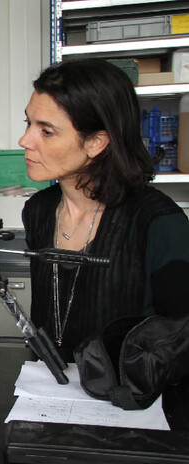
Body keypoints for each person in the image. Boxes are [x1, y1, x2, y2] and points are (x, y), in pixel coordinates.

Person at [19, 58, 189, 361]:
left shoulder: (160, 223)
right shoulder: (39, 211)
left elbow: (180, 343)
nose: (24, 141)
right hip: (46, 395)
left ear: (96, 142)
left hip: (128, 400)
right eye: (28, 123)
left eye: (46, 131)